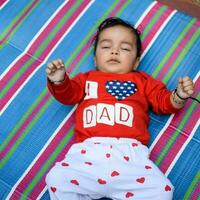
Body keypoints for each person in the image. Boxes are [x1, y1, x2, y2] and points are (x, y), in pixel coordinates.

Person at [45, 17, 194, 200]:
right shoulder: (86, 79)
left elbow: (164, 103)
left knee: (162, 190)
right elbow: (67, 95)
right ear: (95, 57)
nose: (114, 51)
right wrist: (59, 80)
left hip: (131, 158)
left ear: (136, 62)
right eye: (106, 47)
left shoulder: (143, 81)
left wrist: (179, 96)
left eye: (125, 48)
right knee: (56, 178)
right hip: (88, 155)